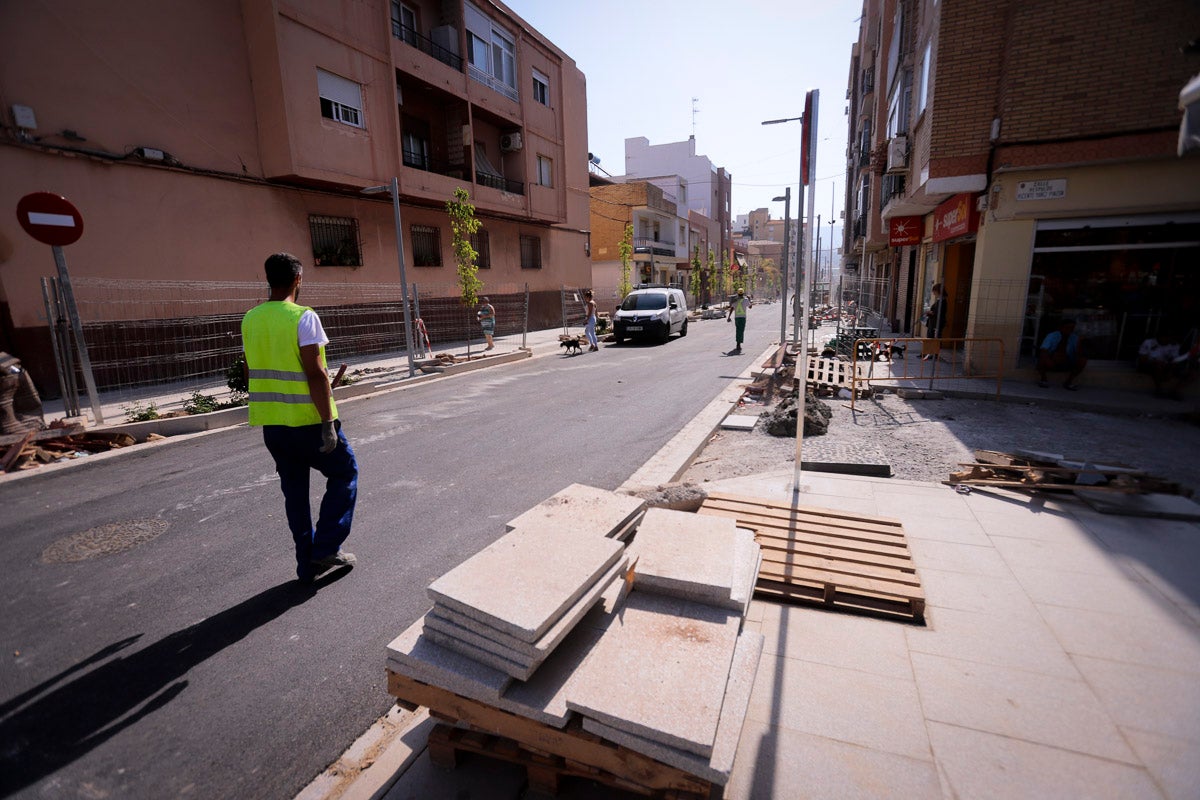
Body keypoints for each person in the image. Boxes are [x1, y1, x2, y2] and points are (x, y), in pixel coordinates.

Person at [242, 253, 358, 584]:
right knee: (345, 473)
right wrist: (327, 423)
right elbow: (316, 373)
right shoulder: (303, 317)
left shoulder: (250, 319)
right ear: (298, 280)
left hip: (274, 427)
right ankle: (326, 547)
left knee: (295, 493)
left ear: (269, 280)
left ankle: (306, 564)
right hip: (309, 422)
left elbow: (250, 371)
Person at [1037, 318, 1087, 390]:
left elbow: (1079, 353)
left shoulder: (1074, 337)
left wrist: (1080, 343)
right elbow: (1044, 349)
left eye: (1072, 328)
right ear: (1061, 327)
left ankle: (1068, 382)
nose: (1070, 329)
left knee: (1083, 360)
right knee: (1042, 357)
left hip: (1067, 361)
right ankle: (1043, 379)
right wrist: (1048, 360)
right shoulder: (1052, 336)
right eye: (1067, 327)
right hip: (1052, 359)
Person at [921, 283, 946, 361]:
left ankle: (934, 354)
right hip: (932, 322)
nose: (933, 293)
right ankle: (928, 353)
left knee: (935, 339)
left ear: (938, 291)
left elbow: (939, 313)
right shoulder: (939, 300)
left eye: (934, 291)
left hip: (936, 324)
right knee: (930, 337)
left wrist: (931, 313)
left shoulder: (943, 301)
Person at [727, 287, 749, 352]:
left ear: (738, 293)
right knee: (741, 330)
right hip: (743, 317)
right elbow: (750, 307)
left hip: (737, 318)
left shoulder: (735, 300)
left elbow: (732, 308)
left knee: (738, 330)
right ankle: (738, 344)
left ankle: (738, 343)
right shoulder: (746, 300)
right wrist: (749, 299)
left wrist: (729, 317)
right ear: (743, 293)